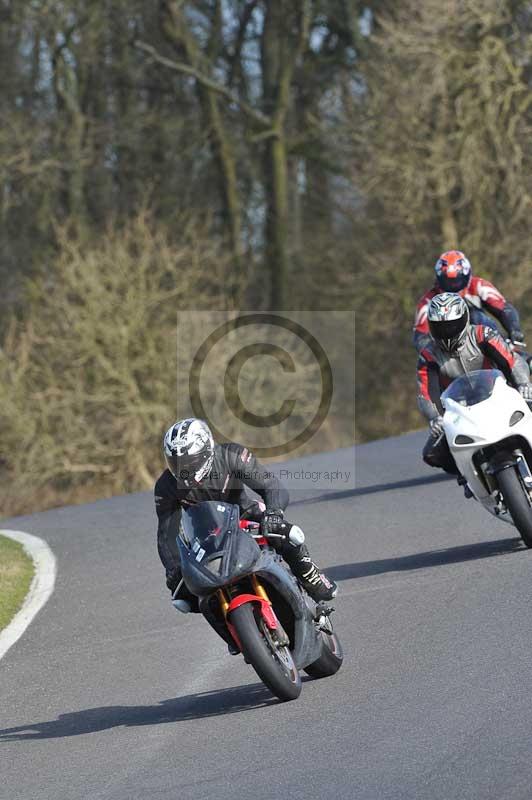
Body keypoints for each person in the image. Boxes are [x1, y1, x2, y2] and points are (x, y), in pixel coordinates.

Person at [154, 418, 337, 616]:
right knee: (183, 597)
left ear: (207, 451)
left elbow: (271, 486)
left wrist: (274, 513)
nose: (184, 471)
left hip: (244, 517)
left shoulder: (231, 456)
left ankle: (310, 575)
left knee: (287, 534)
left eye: (190, 462)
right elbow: (166, 534)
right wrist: (173, 569)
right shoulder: (166, 486)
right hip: (206, 539)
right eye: (176, 463)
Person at [417, 293, 532, 482]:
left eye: (452, 325)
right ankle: (468, 476)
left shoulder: (482, 334)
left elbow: (511, 361)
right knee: (432, 453)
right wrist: (435, 418)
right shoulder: (428, 356)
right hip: (460, 409)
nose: (447, 332)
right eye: (440, 327)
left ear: (464, 319)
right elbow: (426, 392)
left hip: (499, 394)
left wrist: (523, 384)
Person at [413, 250, 524, 352]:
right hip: (447, 353)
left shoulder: (479, 286)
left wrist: (514, 329)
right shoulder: (428, 302)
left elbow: (504, 309)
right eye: (448, 281)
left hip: (484, 341)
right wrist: (431, 352)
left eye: (457, 281)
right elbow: (421, 335)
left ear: (467, 275)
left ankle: (502, 349)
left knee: (476, 316)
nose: (453, 286)